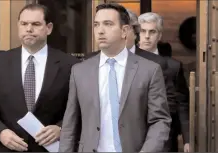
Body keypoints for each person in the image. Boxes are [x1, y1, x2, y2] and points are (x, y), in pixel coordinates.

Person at [59, 3, 171, 152]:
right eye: (96, 25)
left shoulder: (149, 70)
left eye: (108, 24)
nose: (100, 30)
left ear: (124, 30)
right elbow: (70, 124)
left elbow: (159, 121)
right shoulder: (79, 71)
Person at [0, 4, 79, 152]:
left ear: (49, 28)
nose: (29, 29)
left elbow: (78, 108)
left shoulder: (69, 65)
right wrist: (0, 132)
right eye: (24, 24)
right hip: (6, 148)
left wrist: (61, 128)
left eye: (36, 24)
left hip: (51, 148)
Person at [138, 12, 190, 152]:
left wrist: (187, 140)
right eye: (143, 31)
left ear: (159, 36)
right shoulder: (123, 62)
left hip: (165, 138)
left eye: (152, 31)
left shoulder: (173, 66)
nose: (147, 36)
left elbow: (182, 104)